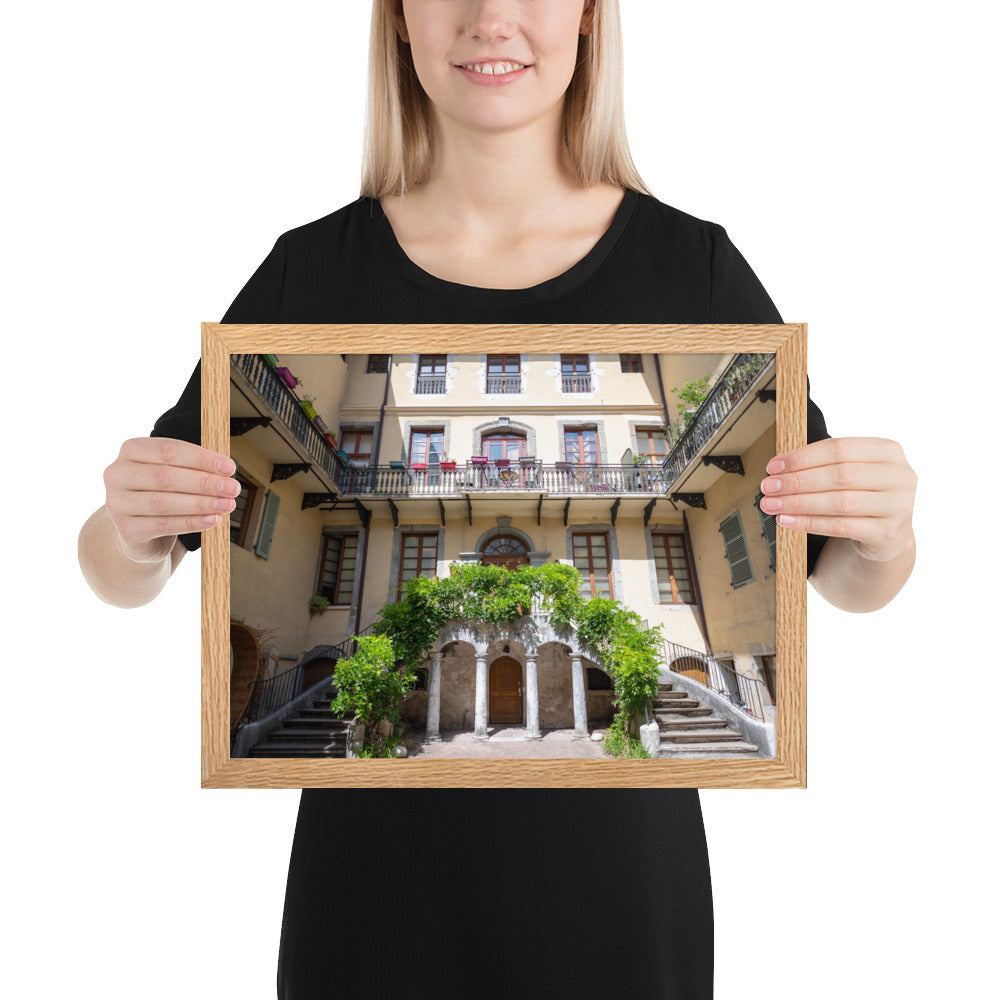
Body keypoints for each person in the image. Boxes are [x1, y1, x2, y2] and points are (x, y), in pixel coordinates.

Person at [78, 1, 917, 995]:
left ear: (590, 18)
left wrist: (883, 532)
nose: (491, 18)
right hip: (372, 891)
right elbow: (120, 568)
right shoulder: (314, 269)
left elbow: (841, 576)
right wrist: (130, 531)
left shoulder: (689, 266)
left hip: (619, 891)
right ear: (397, 19)